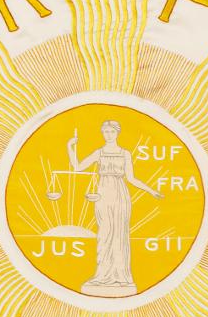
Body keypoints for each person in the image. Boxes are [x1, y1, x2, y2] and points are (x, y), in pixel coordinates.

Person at [68, 119, 162, 296]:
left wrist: (151, 190)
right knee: (104, 233)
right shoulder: (99, 153)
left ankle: (121, 276)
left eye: (111, 132)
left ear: (117, 133)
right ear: (102, 133)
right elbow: (78, 167)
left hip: (120, 195)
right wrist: (70, 146)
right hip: (103, 194)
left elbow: (132, 178)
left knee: (119, 233)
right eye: (105, 132)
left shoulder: (125, 154)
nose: (108, 135)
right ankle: (102, 275)